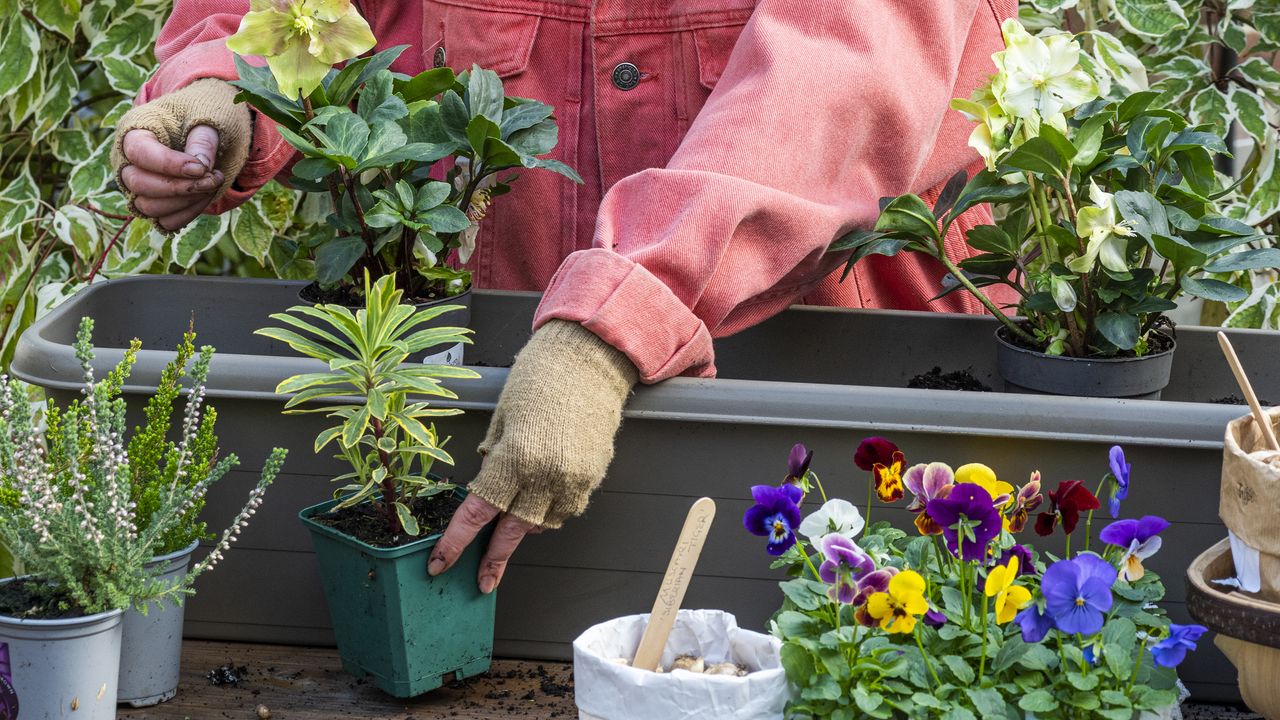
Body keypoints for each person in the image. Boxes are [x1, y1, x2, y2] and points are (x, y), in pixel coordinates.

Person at [110, 0, 1015, 595]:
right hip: (503, 419)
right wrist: (229, 85)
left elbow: (841, 70)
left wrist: (616, 318)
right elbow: (320, 16)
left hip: (828, 392)